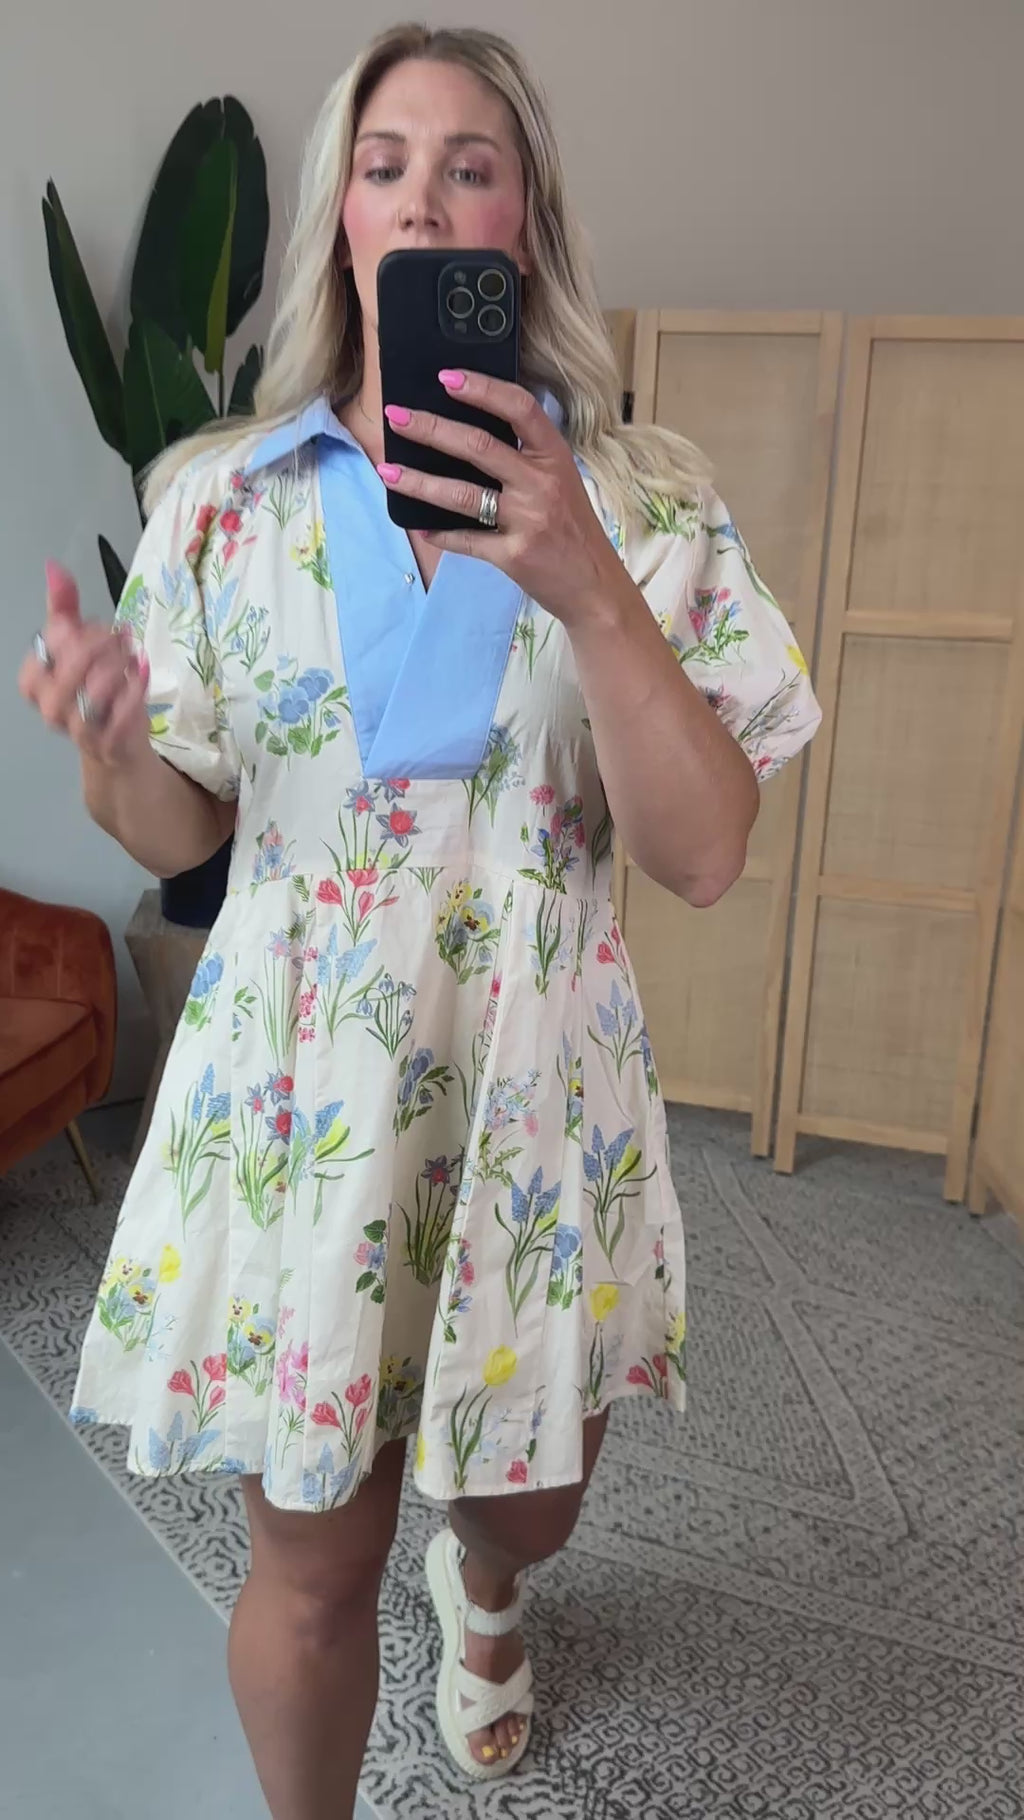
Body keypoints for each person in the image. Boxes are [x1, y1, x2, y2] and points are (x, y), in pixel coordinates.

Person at [19, 22, 820, 1819]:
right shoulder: (220, 500)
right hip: (302, 1095)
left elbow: (704, 853)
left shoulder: (648, 502)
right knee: (311, 1568)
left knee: (525, 1500)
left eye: (472, 165)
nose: (426, 197)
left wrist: (587, 582)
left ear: (526, 220)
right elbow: (182, 828)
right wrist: (111, 744)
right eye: (385, 164)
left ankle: (494, 1587)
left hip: (536, 1098)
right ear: (341, 217)